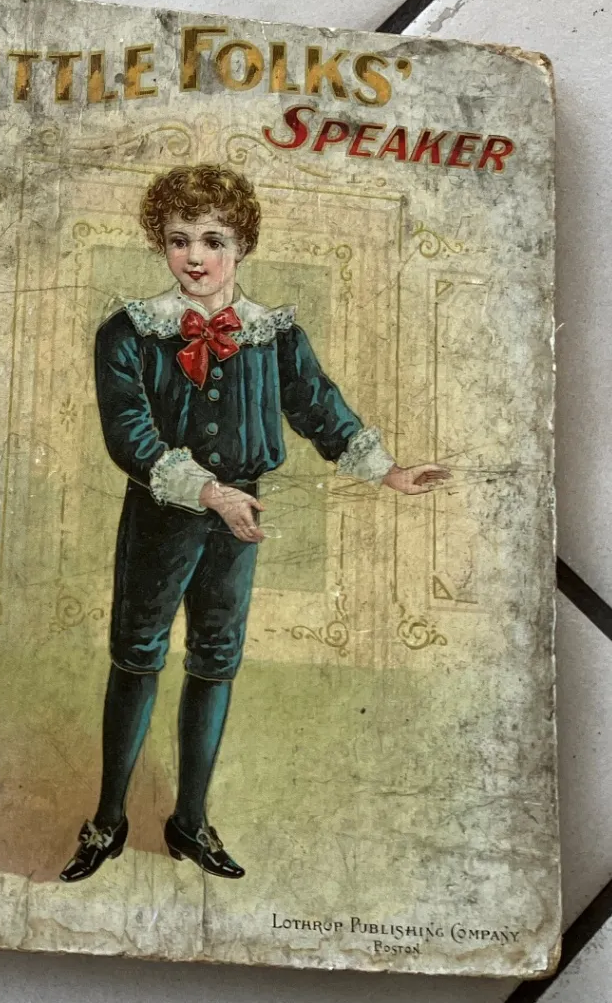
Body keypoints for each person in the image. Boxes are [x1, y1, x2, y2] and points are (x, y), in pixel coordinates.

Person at [59, 165, 447, 884]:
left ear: (242, 246)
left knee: (216, 658)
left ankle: (189, 822)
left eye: (213, 240)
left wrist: (389, 472)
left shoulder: (275, 335)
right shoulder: (129, 332)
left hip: (241, 520)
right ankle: (107, 821)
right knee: (137, 656)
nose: (194, 256)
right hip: (161, 515)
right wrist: (209, 493)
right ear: (160, 245)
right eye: (179, 240)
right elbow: (129, 436)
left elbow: (319, 407)